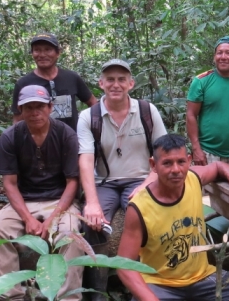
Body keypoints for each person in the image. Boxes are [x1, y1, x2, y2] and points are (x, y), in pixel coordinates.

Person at [117, 134, 229, 301]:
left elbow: (218, 166)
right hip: (160, 284)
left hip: (203, 277)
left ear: (188, 160)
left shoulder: (192, 179)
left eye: (181, 162)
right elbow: (124, 265)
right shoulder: (139, 207)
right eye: (167, 163)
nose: (176, 169)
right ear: (154, 165)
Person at [77, 59, 167, 300]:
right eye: (110, 79)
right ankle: (97, 291)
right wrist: (92, 202)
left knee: (148, 218)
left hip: (140, 178)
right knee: (92, 224)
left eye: (121, 79)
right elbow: (85, 160)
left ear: (131, 83)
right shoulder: (89, 116)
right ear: (101, 83)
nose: (115, 84)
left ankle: (147, 287)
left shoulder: (147, 111)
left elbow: (163, 153)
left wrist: (147, 184)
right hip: (105, 182)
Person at [0, 85, 84, 300]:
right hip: (25, 200)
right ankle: (10, 296)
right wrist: (27, 218)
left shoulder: (65, 134)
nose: (34, 112)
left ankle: (67, 297)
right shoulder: (11, 137)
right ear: (21, 111)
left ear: (50, 107)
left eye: (39, 106)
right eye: (28, 107)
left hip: (60, 200)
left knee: (70, 233)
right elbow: (10, 184)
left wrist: (53, 217)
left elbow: (72, 182)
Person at [186, 36, 229, 166]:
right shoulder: (201, 81)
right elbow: (191, 115)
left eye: (228, 53)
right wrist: (196, 149)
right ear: (214, 57)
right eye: (219, 53)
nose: (223, 57)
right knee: (206, 187)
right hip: (208, 153)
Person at [11, 33, 98, 129]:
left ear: (58, 53)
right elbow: (17, 120)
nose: (42, 54)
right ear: (32, 53)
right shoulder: (23, 84)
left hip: (71, 141)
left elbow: (93, 103)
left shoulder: (71, 77)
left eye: (48, 50)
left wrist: (88, 128)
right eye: (37, 50)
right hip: (38, 142)